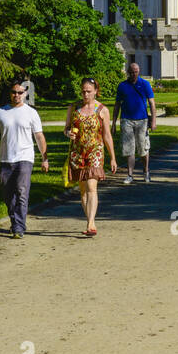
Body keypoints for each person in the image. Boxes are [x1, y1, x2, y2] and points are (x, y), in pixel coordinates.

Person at [0, 80, 49, 239]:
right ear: (10, 93)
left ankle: (18, 227)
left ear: (25, 94)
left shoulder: (31, 113)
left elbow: (39, 136)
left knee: (21, 191)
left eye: (20, 92)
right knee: (7, 193)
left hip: (25, 158)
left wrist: (44, 158)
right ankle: (15, 220)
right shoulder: (1, 112)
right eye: (14, 92)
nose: (17, 95)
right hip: (6, 159)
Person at [65, 78, 117, 236]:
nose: (85, 94)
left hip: (95, 152)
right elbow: (66, 128)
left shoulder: (102, 110)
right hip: (77, 153)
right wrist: (68, 133)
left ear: (95, 91)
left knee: (91, 188)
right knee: (82, 190)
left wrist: (112, 157)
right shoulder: (73, 108)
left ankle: (90, 223)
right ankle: (90, 219)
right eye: (83, 91)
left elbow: (107, 135)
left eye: (89, 91)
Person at [112, 61, 156, 184]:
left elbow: (152, 103)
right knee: (128, 149)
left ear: (139, 71)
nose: (134, 74)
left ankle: (146, 171)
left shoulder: (145, 84)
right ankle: (130, 174)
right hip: (127, 120)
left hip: (142, 120)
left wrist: (153, 121)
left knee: (143, 148)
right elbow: (117, 105)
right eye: (131, 72)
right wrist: (114, 123)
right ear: (128, 72)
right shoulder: (122, 86)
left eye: (136, 72)